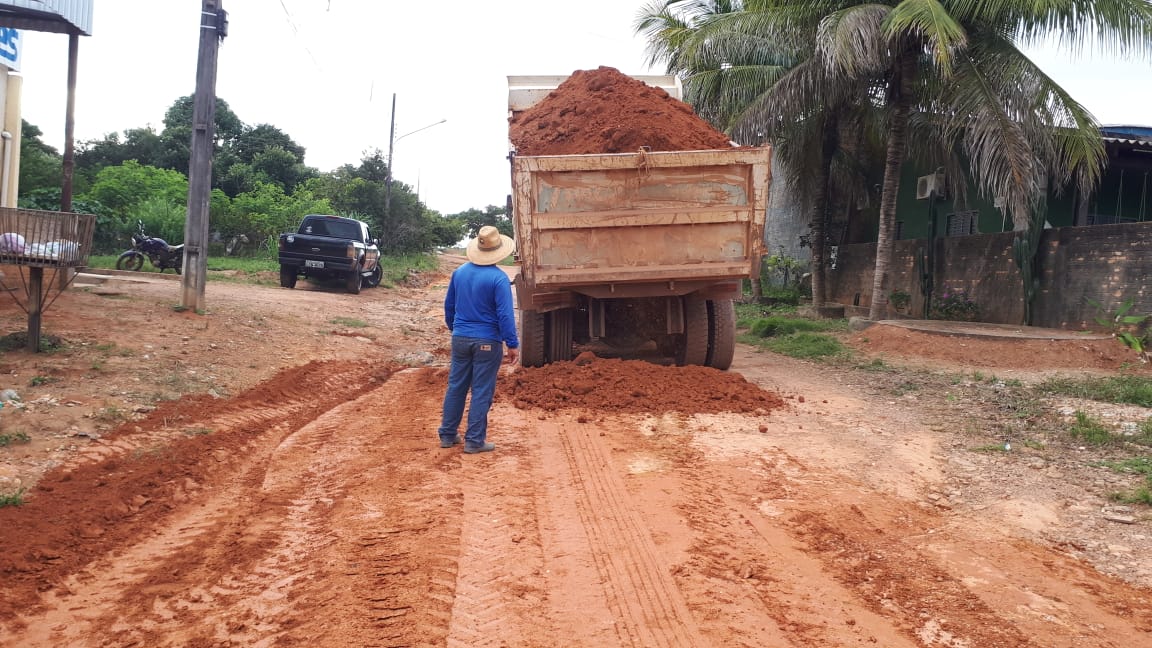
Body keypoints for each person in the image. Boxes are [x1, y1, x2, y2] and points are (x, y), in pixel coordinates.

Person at [437, 225, 520, 453]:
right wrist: (512, 344)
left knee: (456, 386)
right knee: (481, 390)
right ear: (498, 251)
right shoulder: (499, 279)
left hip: (460, 337)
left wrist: (456, 330)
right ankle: (474, 440)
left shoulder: (459, 273)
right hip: (487, 342)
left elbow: (449, 307)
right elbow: (505, 315)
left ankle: (447, 434)